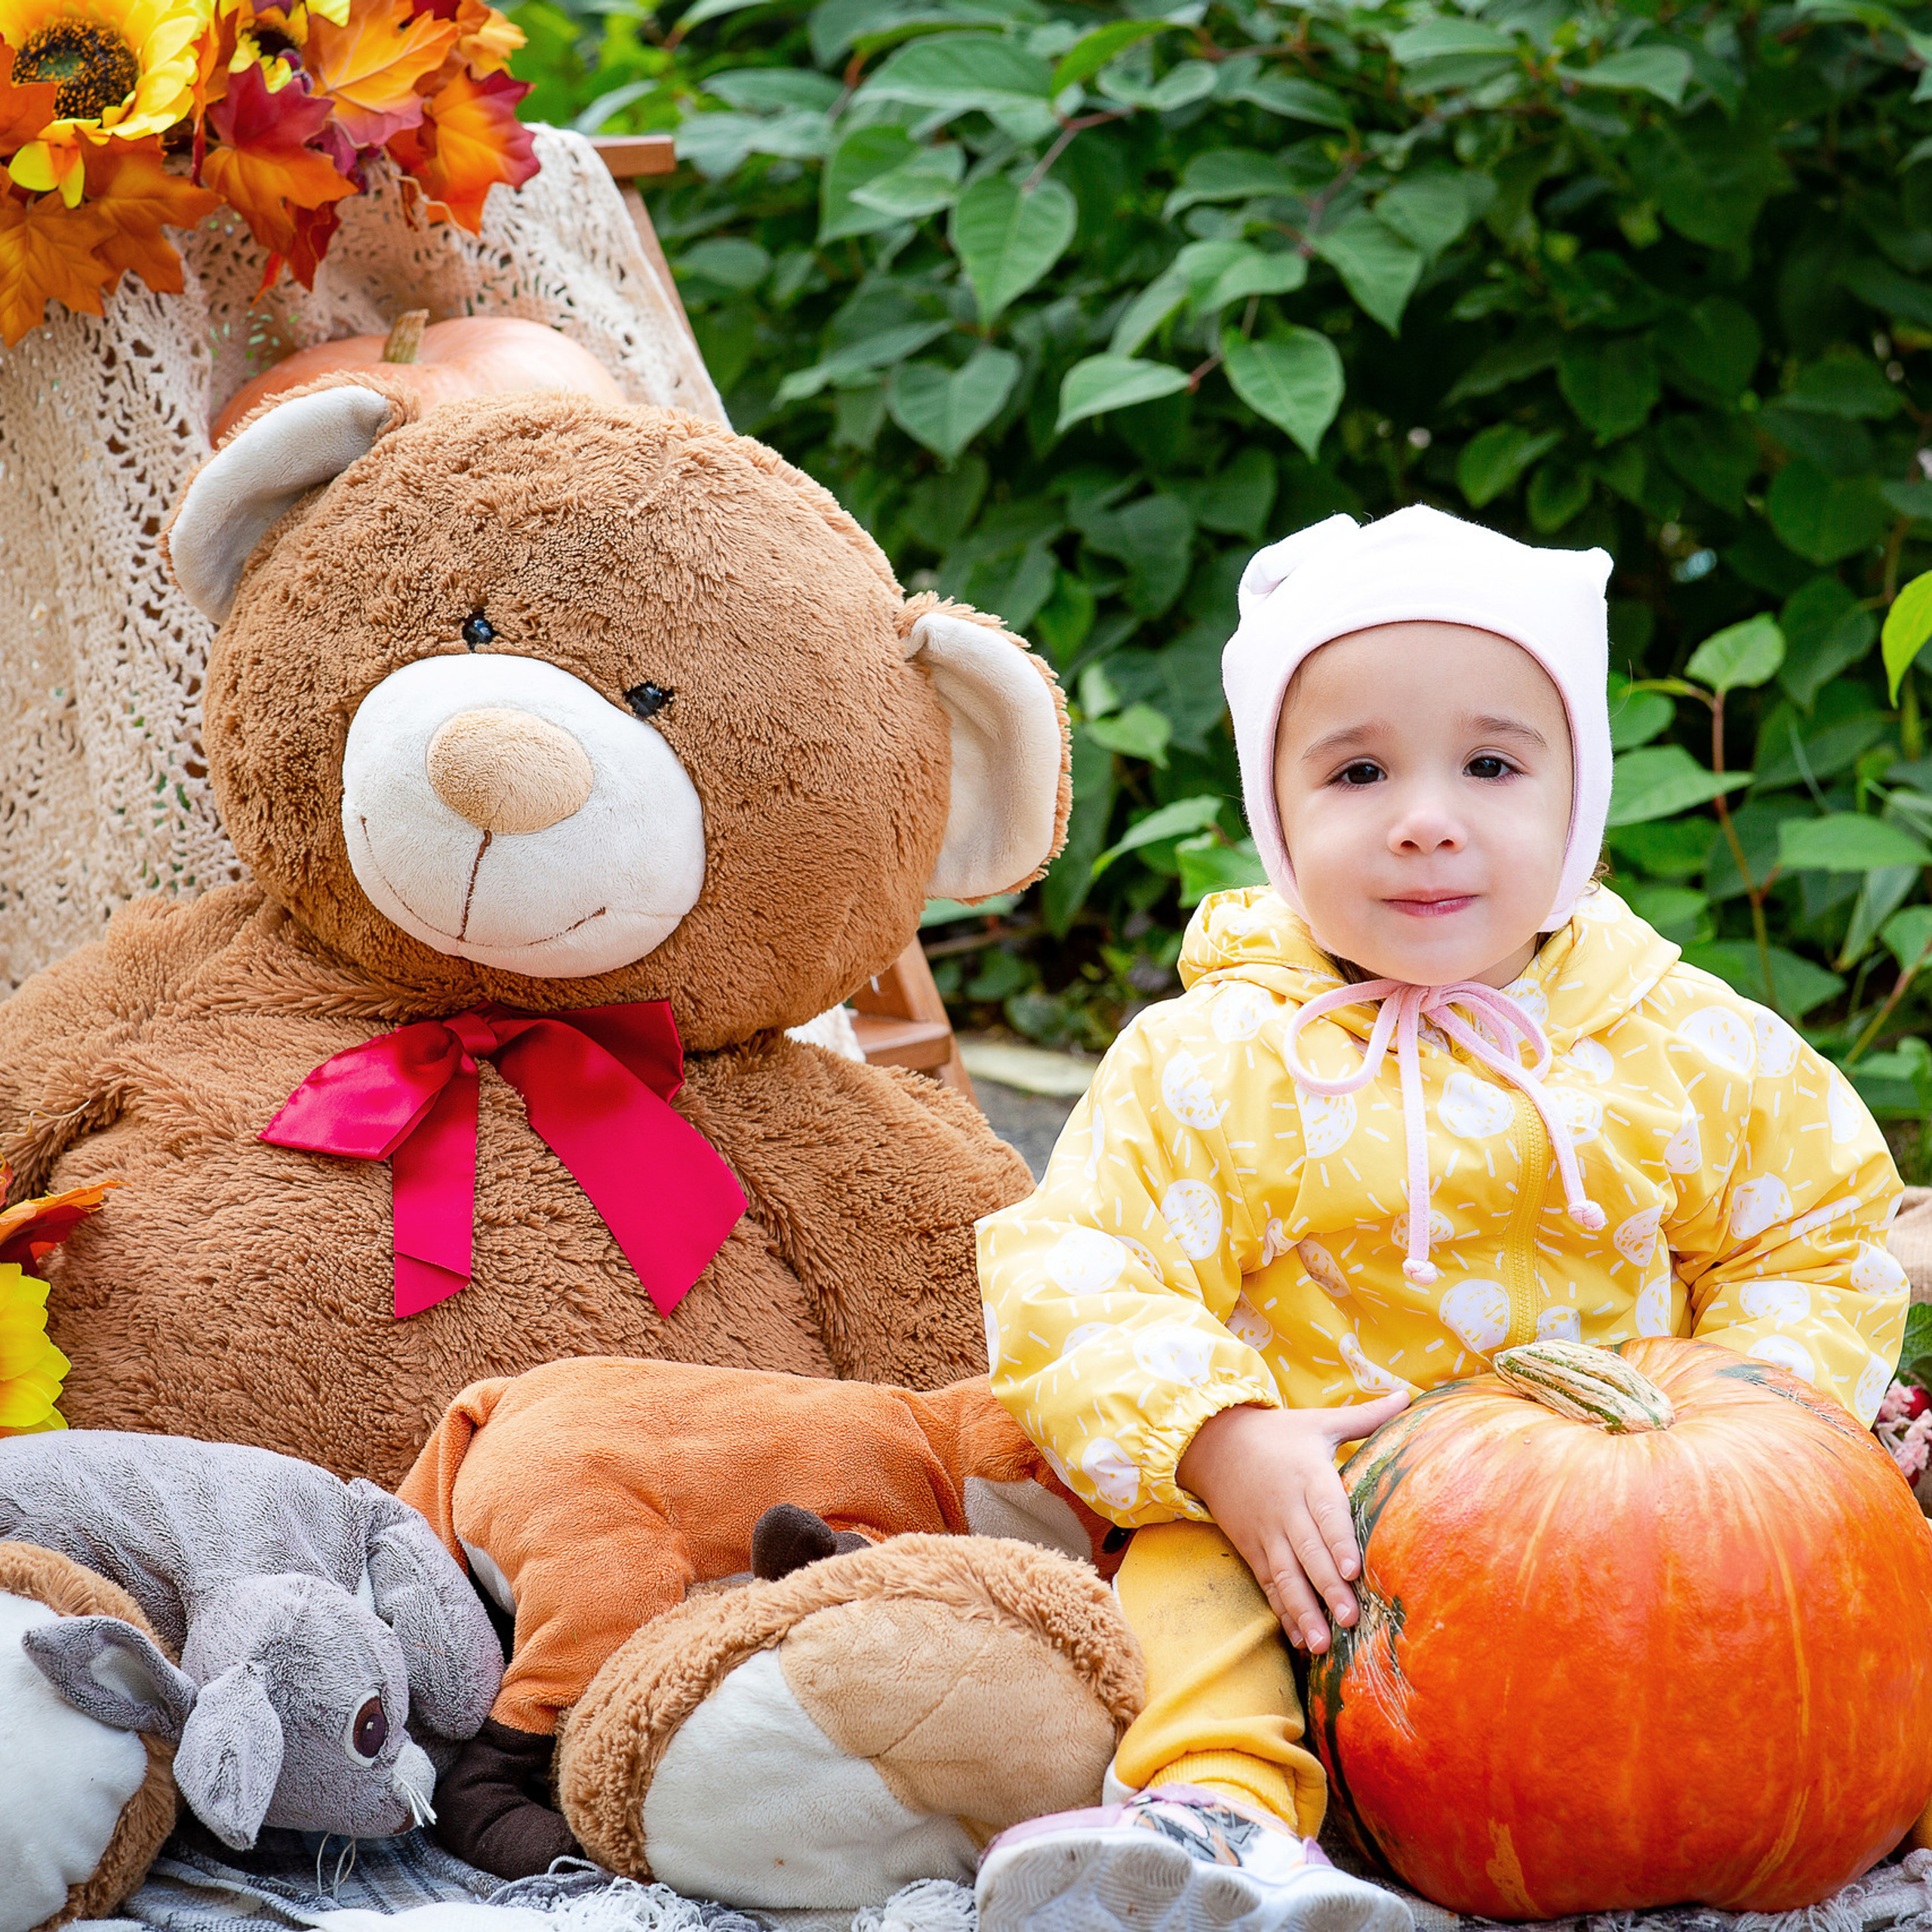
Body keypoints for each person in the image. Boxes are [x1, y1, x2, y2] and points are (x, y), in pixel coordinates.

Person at [972, 505, 1909, 1932]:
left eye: (1490, 763)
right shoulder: (1221, 1059)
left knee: (1867, 1543)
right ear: (1276, 812)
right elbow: (1078, 1270)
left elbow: (1821, 1228)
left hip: (1635, 1537)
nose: (1425, 815)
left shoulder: (1672, 1040)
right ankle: (1219, 1808)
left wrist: (1761, 1430)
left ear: (1579, 797)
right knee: (1182, 1567)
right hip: (1320, 1527)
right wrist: (1223, 1439)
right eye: (1356, 770)